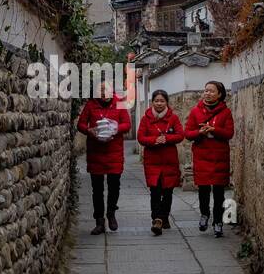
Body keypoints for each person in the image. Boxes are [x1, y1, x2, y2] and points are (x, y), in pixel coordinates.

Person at [76, 80, 131, 235]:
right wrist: (89, 130)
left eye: (106, 89)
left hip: (114, 151)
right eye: (100, 90)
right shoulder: (91, 105)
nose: (103, 93)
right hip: (96, 152)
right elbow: (80, 124)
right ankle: (99, 221)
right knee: (97, 189)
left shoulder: (119, 103)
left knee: (114, 186)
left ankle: (111, 213)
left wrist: (115, 129)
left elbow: (127, 124)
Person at [184, 80, 235, 237]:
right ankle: (204, 214)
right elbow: (188, 133)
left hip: (219, 156)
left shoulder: (225, 112)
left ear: (219, 94)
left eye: (212, 91)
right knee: (203, 190)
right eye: (206, 90)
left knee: (219, 191)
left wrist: (215, 129)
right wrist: (200, 132)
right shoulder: (195, 111)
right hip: (202, 155)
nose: (207, 93)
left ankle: (218, 221)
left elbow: (229, 133)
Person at [136, 89, 184, 236]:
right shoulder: (146, 119)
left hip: (169, 161)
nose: (159, 103)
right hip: (152, 161)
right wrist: (154, 140)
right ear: (152, 102)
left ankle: (164, 216)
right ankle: (157, 219)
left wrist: (167, 139)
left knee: (168, 192)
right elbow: (141, 137)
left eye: (162, 101)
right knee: (155, 192)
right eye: (156, 101)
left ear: (166, 102)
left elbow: (180, 135)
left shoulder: (173, 118)